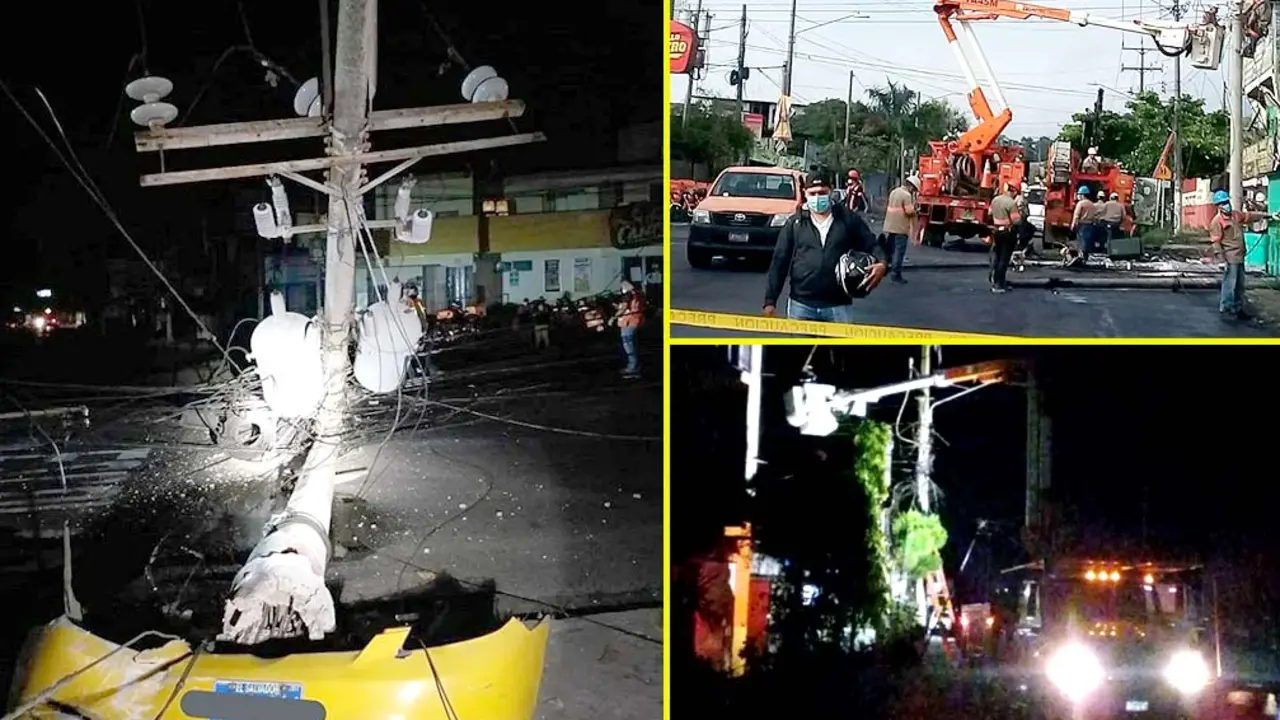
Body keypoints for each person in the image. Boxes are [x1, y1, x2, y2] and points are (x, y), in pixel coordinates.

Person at [764, 177, 887, 323]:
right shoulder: (795, 223)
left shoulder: (848, 219)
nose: (817, 198)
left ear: (831, 191)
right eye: (813, 193)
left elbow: (871, 244)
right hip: (801, 305)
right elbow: (779, 262)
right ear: (805, 194)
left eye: (822, 193)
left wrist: (882, 263)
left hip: (838, 305)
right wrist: (770, 301)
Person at [1208, 189, 1275, 323]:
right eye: (1223, 203)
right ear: (1218, 206)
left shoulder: (1235, 215)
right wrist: (1222, 259)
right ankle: (1226, 308)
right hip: (1230, 257)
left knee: (1239, 285)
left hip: (1240, 256)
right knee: (1229, 284)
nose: (1226, 204)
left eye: (1227, 201)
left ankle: (1238, 308)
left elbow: (1250, 216)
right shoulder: (1217, 222)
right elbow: (1216, 242)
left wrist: (1268, 215)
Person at [882, 175, 920, 284]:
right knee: (899, 252)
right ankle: (896, 274)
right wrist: (916, 209)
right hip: (900, 228)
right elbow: (909, 211)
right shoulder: (906, 195)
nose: (914, 191)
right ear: (911, 187)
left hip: (890, 226)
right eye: (915, 189)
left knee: (891, 250)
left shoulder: (894, 191)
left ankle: (885, 268)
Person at [987, 183, 1021, 294]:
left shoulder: (995, 200)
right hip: (1007, 232)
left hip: (997, 231)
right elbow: (1016, 220)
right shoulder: (1011, 203)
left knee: (997, 256)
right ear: (1014, 192)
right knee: (1004, 259)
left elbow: (989, 213)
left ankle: (995, 280)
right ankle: (999, 284)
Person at [614, 280, 645, 377]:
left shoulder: (627, 296)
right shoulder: (637, 294)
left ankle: (632, 368)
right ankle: (635, 367)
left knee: (628, 345)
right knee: (632, 343)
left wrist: (613, 317)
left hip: (628, 322)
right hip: (635, 321)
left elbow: (623, 308)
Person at [1068, 186, 1098, 266]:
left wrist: (1072, 226)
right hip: (1090, 225)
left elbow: (1076, 216)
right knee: (1087, 242)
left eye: (1078, 194)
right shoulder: (1092, 204)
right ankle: (1085, 258)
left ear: (1082, 195)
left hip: (1082, 225)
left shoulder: (1080, 204)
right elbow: (1095, 217)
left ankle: (1080, 258)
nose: (1077, 196)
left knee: (1081, 242)